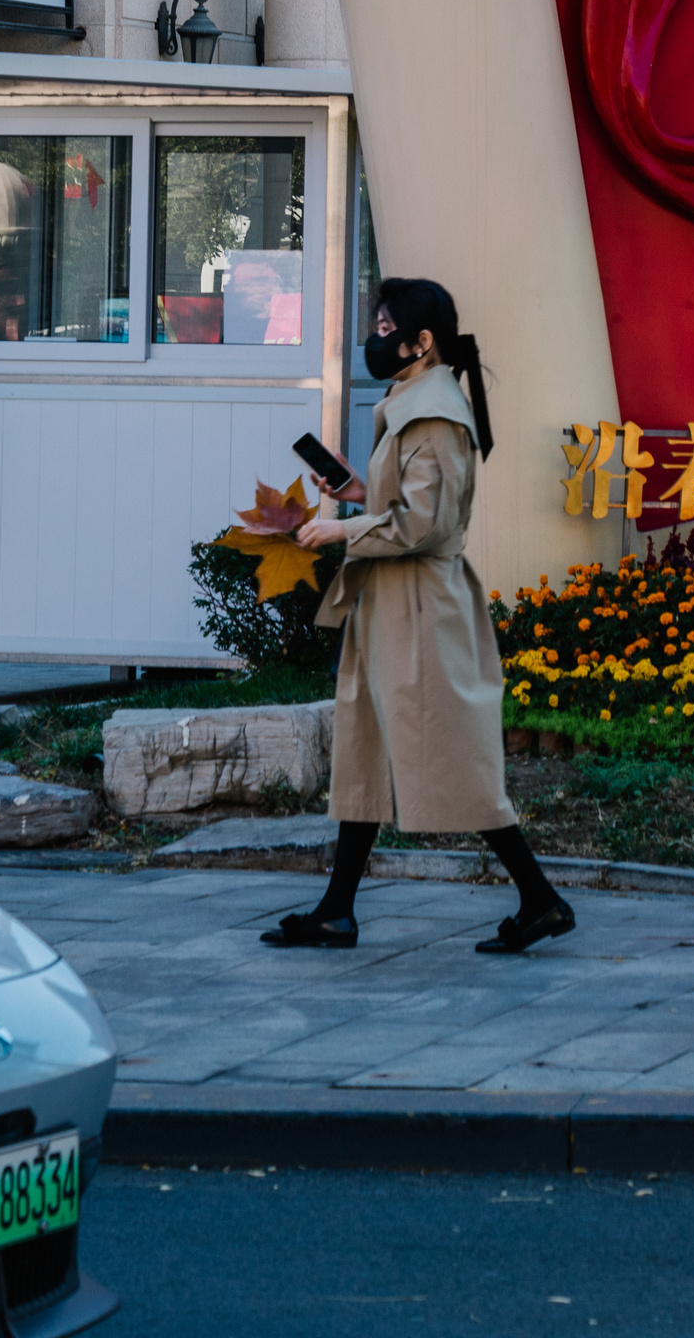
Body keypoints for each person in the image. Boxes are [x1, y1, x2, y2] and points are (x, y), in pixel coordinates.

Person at [261, 277, 574, 956]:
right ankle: (338, 911)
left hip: (422, 605)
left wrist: (342, 532)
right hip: (391, 601)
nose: (374, 336)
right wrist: (353, 491)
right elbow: (402, 503)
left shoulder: (434, 414)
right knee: (365, 747)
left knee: (455, 754)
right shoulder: (413, 402)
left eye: (383, 325)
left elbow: (423, 524)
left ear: (421, 341)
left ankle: (542, 898)